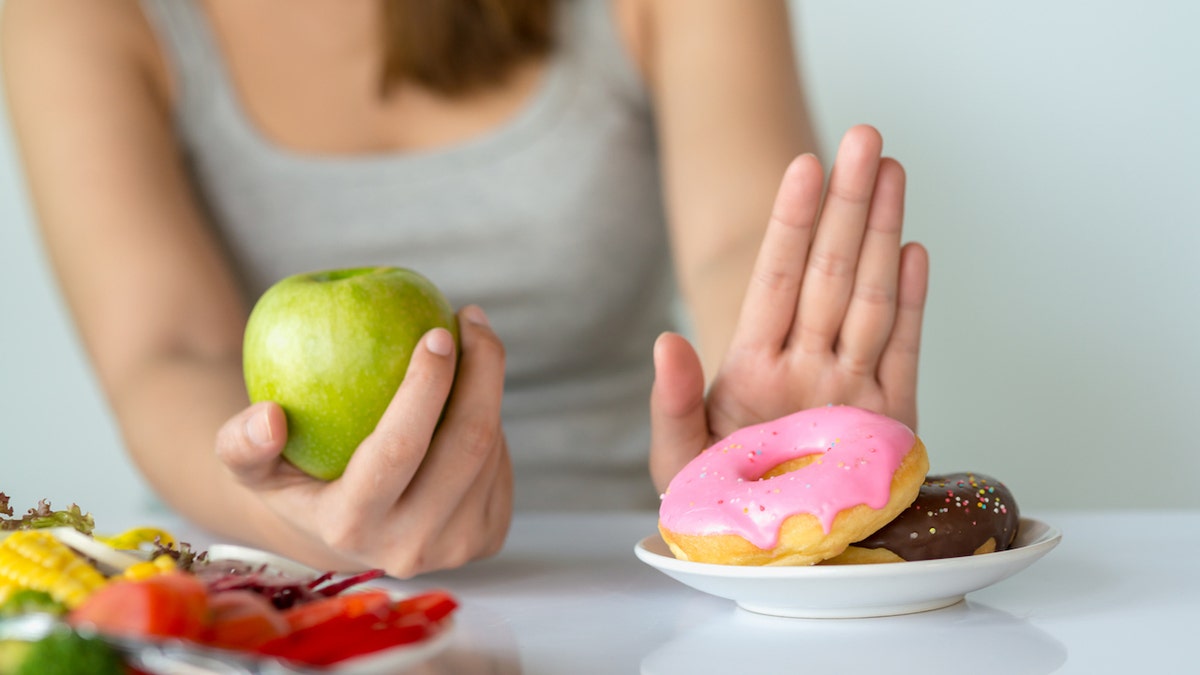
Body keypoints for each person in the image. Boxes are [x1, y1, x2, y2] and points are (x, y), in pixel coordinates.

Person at [2, 0, 928, 577]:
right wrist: (303, 523)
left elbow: (739, 240)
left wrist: (767, 433)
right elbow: (167, 350)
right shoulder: (71, 14)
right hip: (268, 590)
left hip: (624, 578)